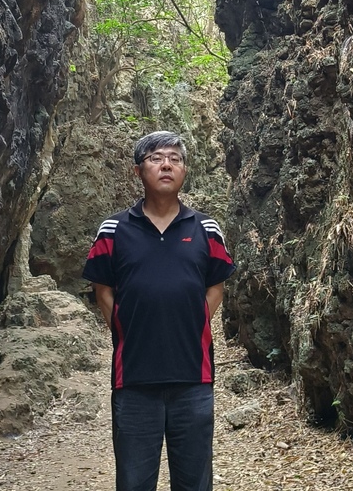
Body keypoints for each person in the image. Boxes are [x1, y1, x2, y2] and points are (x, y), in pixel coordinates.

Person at [83, 130, 235, 491]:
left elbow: (217, 284)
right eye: (155, 158)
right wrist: (122, 325)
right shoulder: (113, 229)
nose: (166, 164)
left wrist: (196, 319)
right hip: (133, 379)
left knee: (195, 482)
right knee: (134, 482)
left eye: (175, 159)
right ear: (138, 171)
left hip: (193, 379)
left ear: (184, 171)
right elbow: (101, 286)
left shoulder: (206, 229)